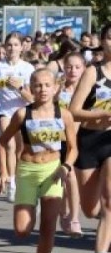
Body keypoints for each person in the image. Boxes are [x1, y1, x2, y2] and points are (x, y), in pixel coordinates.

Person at [0, 68, 77, 253]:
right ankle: (33, 206)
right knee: (22, 230)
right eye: (37, 85)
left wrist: (67, 166)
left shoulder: (64, 115)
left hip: (53, 172)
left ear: (55, 88)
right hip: (28, 171)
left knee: (48, 228)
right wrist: (4, 172)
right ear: (31, 88)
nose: (42, 89)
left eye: (46, 85)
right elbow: (3, 142)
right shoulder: (23, 114)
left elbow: (72, 148)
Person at [68, 26, 111, 253]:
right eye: (109, 37)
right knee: (90, 209)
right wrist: (100, 115)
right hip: (90, 140)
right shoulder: (92, 72)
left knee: (109, 203)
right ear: (102, 42)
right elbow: (73, 111)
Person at [0, 33, 35, 203]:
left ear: (22, 47)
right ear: (4, 47)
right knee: (9, 144)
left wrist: (20, 87)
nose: (12, 48)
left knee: (21, 149)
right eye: (9, 45)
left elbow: (31, 98)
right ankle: (11, 183)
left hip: (21, 110)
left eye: (15, 45)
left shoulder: (28, 68)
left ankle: (17, 179)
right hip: (2, 110)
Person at [58, 52, 85, 236]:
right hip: (58, 139)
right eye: (69, 67)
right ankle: (64, 213)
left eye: (77, 67)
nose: (73, 71)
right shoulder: (58, 89)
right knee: (62, 177)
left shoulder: (87, 90)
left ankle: (74, 217)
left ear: (83, 68)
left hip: (81, 139)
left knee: (72, 176)